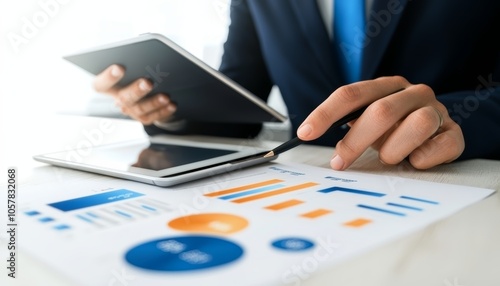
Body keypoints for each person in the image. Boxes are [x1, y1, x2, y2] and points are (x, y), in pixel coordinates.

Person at [93, 0, 500, 171]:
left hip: (454, 183)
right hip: (307, 185)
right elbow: (239, 103)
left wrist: (460, 120)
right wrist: (166, 108)